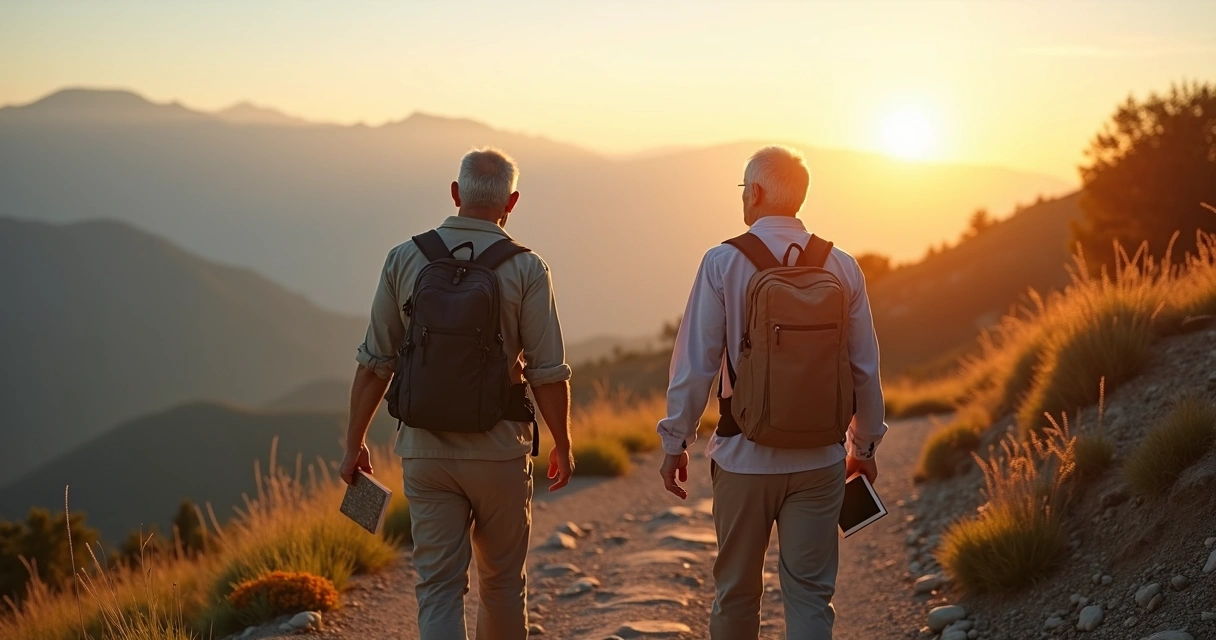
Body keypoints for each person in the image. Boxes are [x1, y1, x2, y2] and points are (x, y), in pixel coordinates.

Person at [341, 147, 574, 640]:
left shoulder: (405, 258)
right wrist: (564, 444)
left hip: (425, 451)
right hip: (499, 450)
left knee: (439, 587)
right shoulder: (528, 269)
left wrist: (354, 444)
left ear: (455, 193)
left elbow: (375, 363)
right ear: (511, 202)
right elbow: (547, 371)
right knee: (503, 583)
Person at [656, 145, 887, 639]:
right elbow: (865, 368)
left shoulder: (723, 262)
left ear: (756, 193)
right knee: (809, 596)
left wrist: (676, 442)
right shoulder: (842, 266)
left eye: (744, 188)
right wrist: (862, 447)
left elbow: (695, 365)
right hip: (821, 460)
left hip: (744, 458)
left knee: (737, 594)